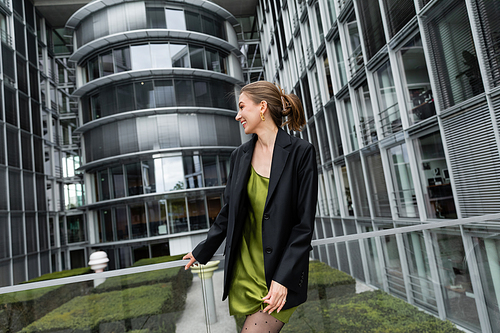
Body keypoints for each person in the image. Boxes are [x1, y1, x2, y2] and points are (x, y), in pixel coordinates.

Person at [183, 81, 318, 333]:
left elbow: (304, 225)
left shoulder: (301, 152)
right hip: (246, 272)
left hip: (278, 277)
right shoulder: (240, 156)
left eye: (242, 107)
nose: (238, 115)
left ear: (262, 107)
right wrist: (203, 250)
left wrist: (283, 279)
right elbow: (228, 211)